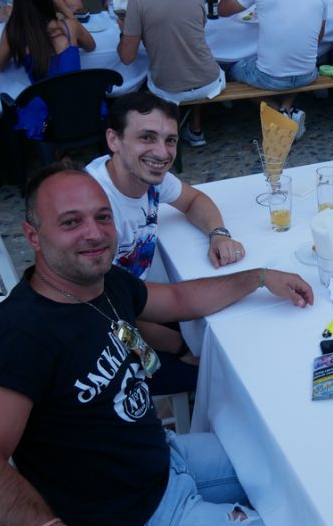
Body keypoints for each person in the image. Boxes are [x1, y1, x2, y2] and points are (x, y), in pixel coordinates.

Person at [0, 165, 316, 526]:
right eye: (71, 222)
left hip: (162, 460)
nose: (94, 233)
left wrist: (259, 276)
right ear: (34, 236)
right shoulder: (13, 338)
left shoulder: (101, 283)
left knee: (296, 467)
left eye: (102, 217)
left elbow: (179, 299)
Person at [86, 93, 247, 395]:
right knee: (227, 373)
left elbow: (193, 199)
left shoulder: (145, 175)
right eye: (146, 137)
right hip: (110, 341)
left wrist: (218, 234)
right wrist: (181, 347)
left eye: (170, 140)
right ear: (114, 140)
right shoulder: (95, 212)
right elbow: (106, 311)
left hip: (141, 304)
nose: (162, 152)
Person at [219, 0, 325, 139]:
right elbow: (319, 38)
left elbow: (223, 10)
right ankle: (287, 108)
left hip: (270, 77)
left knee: (233, 68)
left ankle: (279, 113)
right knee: (292, 59)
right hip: (308, 74)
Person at [117, 0, 224, 148]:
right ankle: (195, 128)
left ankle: (166, 133)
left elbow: (127, 57)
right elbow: (196, 30)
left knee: (154, 77)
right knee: (193, 61)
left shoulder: (137, 0)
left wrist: (124, 29)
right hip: (209, 83)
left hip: (169, 90)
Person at [0, 0, 97, 140]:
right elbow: (90, 46)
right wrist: (64, 9)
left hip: (45, 112)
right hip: (80, 105)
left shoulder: (14, 32)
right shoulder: (69, 26)